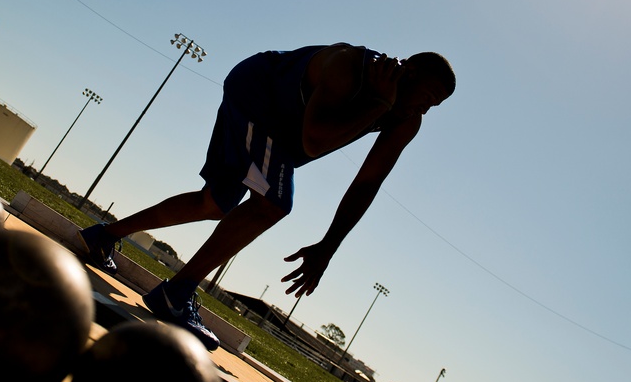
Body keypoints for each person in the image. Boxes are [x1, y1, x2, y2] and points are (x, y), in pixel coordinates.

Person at [78, 43, 455, 351]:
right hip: (259, 95)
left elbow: (366, 183)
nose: (424, 108)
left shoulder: (406, 120)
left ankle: (103, 236)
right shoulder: (351, 66)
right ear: (406, 72)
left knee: (214, 203)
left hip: (283, 131)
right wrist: (380, 103)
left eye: (433, 105)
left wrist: (329, 245)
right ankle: (176, 292)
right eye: (425, 96)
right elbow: (315, 141)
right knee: (272, 204)